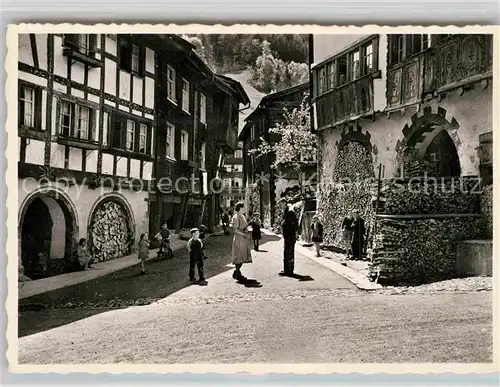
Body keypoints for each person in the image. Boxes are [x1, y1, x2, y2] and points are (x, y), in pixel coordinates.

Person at [231, 201, 252, 281]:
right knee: (239, 257)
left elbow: (244, 226)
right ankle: (237, 273)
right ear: (240, 208)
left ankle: (237, 272)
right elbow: (236, 230)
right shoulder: (235, 217)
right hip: (239, 239)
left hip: (243, 239)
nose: (244, 208)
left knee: (242, 257)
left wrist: (247, 229)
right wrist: (244, 234)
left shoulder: (243, 216)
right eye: (243, 207)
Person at [279, 199, 299, 276]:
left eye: (281, 204)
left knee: (289, 253)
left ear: (284, 203)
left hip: (290, 235)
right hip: (287, 235)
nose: (280, 206)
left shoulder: (290, 211)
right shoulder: (286, 211)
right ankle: (286, 270)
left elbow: (295, 223)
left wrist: (296, 233)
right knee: (286, 252)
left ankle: (289, 271)